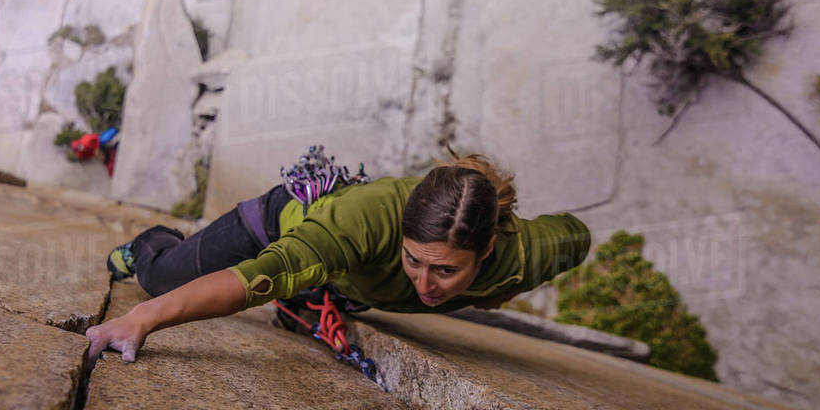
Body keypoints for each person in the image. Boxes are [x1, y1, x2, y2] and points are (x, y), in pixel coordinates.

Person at [85, 153, 591, 364]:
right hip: (277, 227)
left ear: (486, 249)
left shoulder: (522, 253)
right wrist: (143, 318)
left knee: (326, 282)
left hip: (339, 277)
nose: (427, 284)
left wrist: (502, 289)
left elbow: (576, 234)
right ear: (400, 232)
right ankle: (153, 240)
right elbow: (269, 273)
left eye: (446, 270)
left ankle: (318, 295)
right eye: (414, 260)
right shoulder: (365, 221)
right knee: (159, 279)